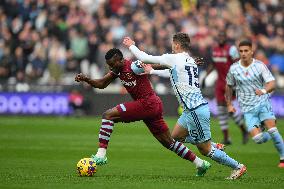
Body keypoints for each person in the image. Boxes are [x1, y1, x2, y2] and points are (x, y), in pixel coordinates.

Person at [123, 33, 246, 180]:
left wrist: (131, 45)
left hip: (195, 110)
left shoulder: (174, 58)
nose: (171, 46)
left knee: (205, 150)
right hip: (190, 110)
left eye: (172, 43)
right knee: (174, 137)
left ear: (176, 45)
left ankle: (238, 166)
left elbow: (144, 57)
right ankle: (212, 143)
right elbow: (173, 73)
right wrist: (153, 71)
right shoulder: (189, 60)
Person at [75, 48, 211, 176]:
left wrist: (187, 63)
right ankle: (200, 163)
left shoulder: (134, 66)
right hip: (152, 106)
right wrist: (86, 79)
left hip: (148, 103)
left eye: (112, 64)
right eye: (108, 65)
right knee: (168, 142)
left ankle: (101, 154)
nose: (110, 67)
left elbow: (156, 64)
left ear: (119, 60)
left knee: (108, 115)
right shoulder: (117, 70)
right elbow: (102, 84)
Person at [225, 39, 284, 168]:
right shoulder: (234, 68)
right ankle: (268, 132)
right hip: (247, 108)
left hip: (263, 104)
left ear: (252, 51)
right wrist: (229, 104)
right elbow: (229, 87)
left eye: (246, 51)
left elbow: (272, 83)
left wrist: (263, 91)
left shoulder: (259, 65)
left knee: (273, 130)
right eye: (241, 51)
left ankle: (283, 159)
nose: (243, 53)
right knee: (258, 139)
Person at [202, 32, 248, 145]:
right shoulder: (215, 49)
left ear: (226, 38)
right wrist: (205, 77)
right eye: (219, 37)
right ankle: (227, 137)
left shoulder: (231, 49)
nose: (221, 38)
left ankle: (243, 130)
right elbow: (212, 64)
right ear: (217, 38)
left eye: (223, 37)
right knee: (221, 110)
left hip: (230, 83)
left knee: (229, 109)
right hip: (219, 84)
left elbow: (238, 64)